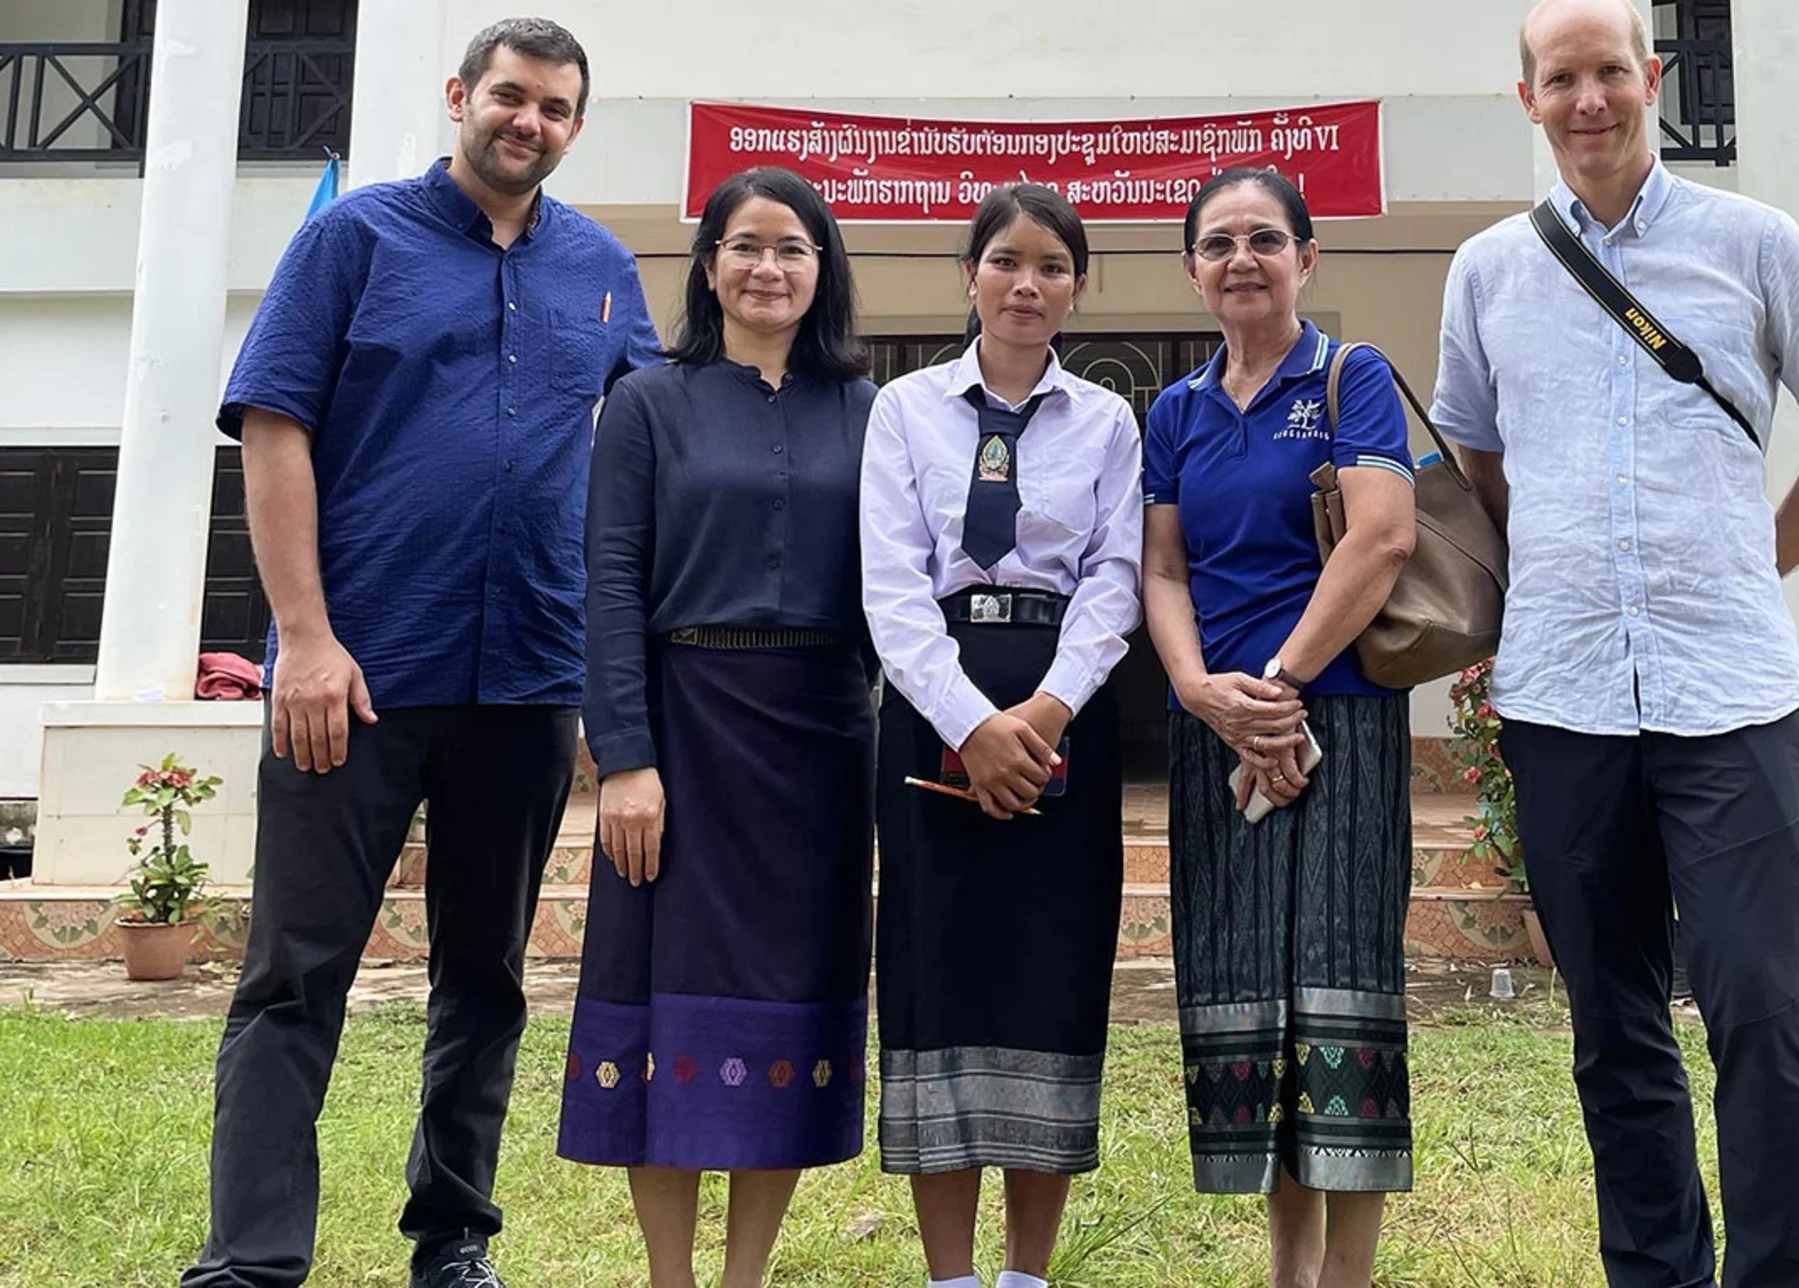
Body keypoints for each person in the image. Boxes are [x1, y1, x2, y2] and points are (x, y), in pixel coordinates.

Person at [181, 19, 658, 1288]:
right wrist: (304, 639)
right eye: (510, 96)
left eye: (556, 109)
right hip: (357, 679)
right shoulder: (354, 239)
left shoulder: (605, 271)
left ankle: (452, 1237)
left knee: (485, 977)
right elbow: (272, 425)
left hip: (528, 680)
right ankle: (252, 1258)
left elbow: (654, 453)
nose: (530, 122)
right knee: (294, 973)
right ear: (461, 97)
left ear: (572, 126)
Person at [1430, 2, 1799, 1285]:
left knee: (1767, 1012)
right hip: (1564, 696)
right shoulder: (1486, 271)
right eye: (1558, 78)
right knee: (1612, 1028)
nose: (1588, 99)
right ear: (1524, 98)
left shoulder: (1752, 241)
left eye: (1608, 73)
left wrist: (1757, 557)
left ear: (1652, 78)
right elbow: (1476, 457)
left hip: (1726, 693)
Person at [555, 167, 876, 1288]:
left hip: (822, 746)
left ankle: (743, 1276)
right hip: (685, 735)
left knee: (784, 1013)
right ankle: (671, 1278)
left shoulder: (868, 410)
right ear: (708, 265)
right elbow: (606, 587)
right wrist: (626, 762)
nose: (768, 267)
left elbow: (897, 591)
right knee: (668, 1013)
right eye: (745, 245)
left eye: (792, 247)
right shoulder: (648, 403)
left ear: (822, 268)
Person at [859, 183, 1142, 1288]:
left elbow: (1115, 581)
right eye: (1005, 262)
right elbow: (889, 590)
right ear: (967, 274)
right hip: (935, 706)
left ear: (1076, 286)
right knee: (938, 975)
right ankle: (949, 1275)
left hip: (1063, 711)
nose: (1027, 284)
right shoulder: (906, 409)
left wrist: (1044, 712)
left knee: (1047, 972)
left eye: (1052, 266)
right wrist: (973, 724)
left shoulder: (1108, 421)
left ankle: (1025, 1271)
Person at [1140, 166, 1419, 1288]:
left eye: (1264, 237)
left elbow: (1381, 538)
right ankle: (1285, 1272)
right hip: (1217, 735)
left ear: (1308, 255)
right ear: (1193, 269)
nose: (1240, 259)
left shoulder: (1352, 378)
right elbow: (1160, 565)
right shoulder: (1173, 408)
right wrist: (1204, 690)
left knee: (1339, 997)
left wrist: (1277, 682)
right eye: (1217, 242)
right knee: (1250, 1003)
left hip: (1335, 725)